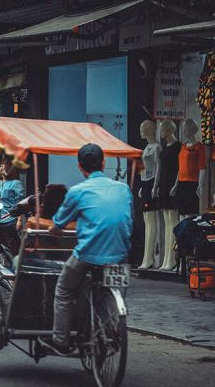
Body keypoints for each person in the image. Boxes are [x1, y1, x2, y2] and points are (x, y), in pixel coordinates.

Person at [38, 144, 133, 356]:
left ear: (80, 167)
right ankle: (112, 327)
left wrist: (54, 229)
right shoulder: (123, 189)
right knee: (112, 290)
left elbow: (58, 223)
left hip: (88, 254)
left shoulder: (78, 191)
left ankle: (60, 340)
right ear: (103, 163)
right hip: (121, 255)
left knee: (63, 290)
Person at [0, 162, 24, 253]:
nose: (2, 168)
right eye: (1, 166)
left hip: (9, 219)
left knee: (12, 246)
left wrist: (20, 220)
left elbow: (20, 203)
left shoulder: (16, 183)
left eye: (4, 166)